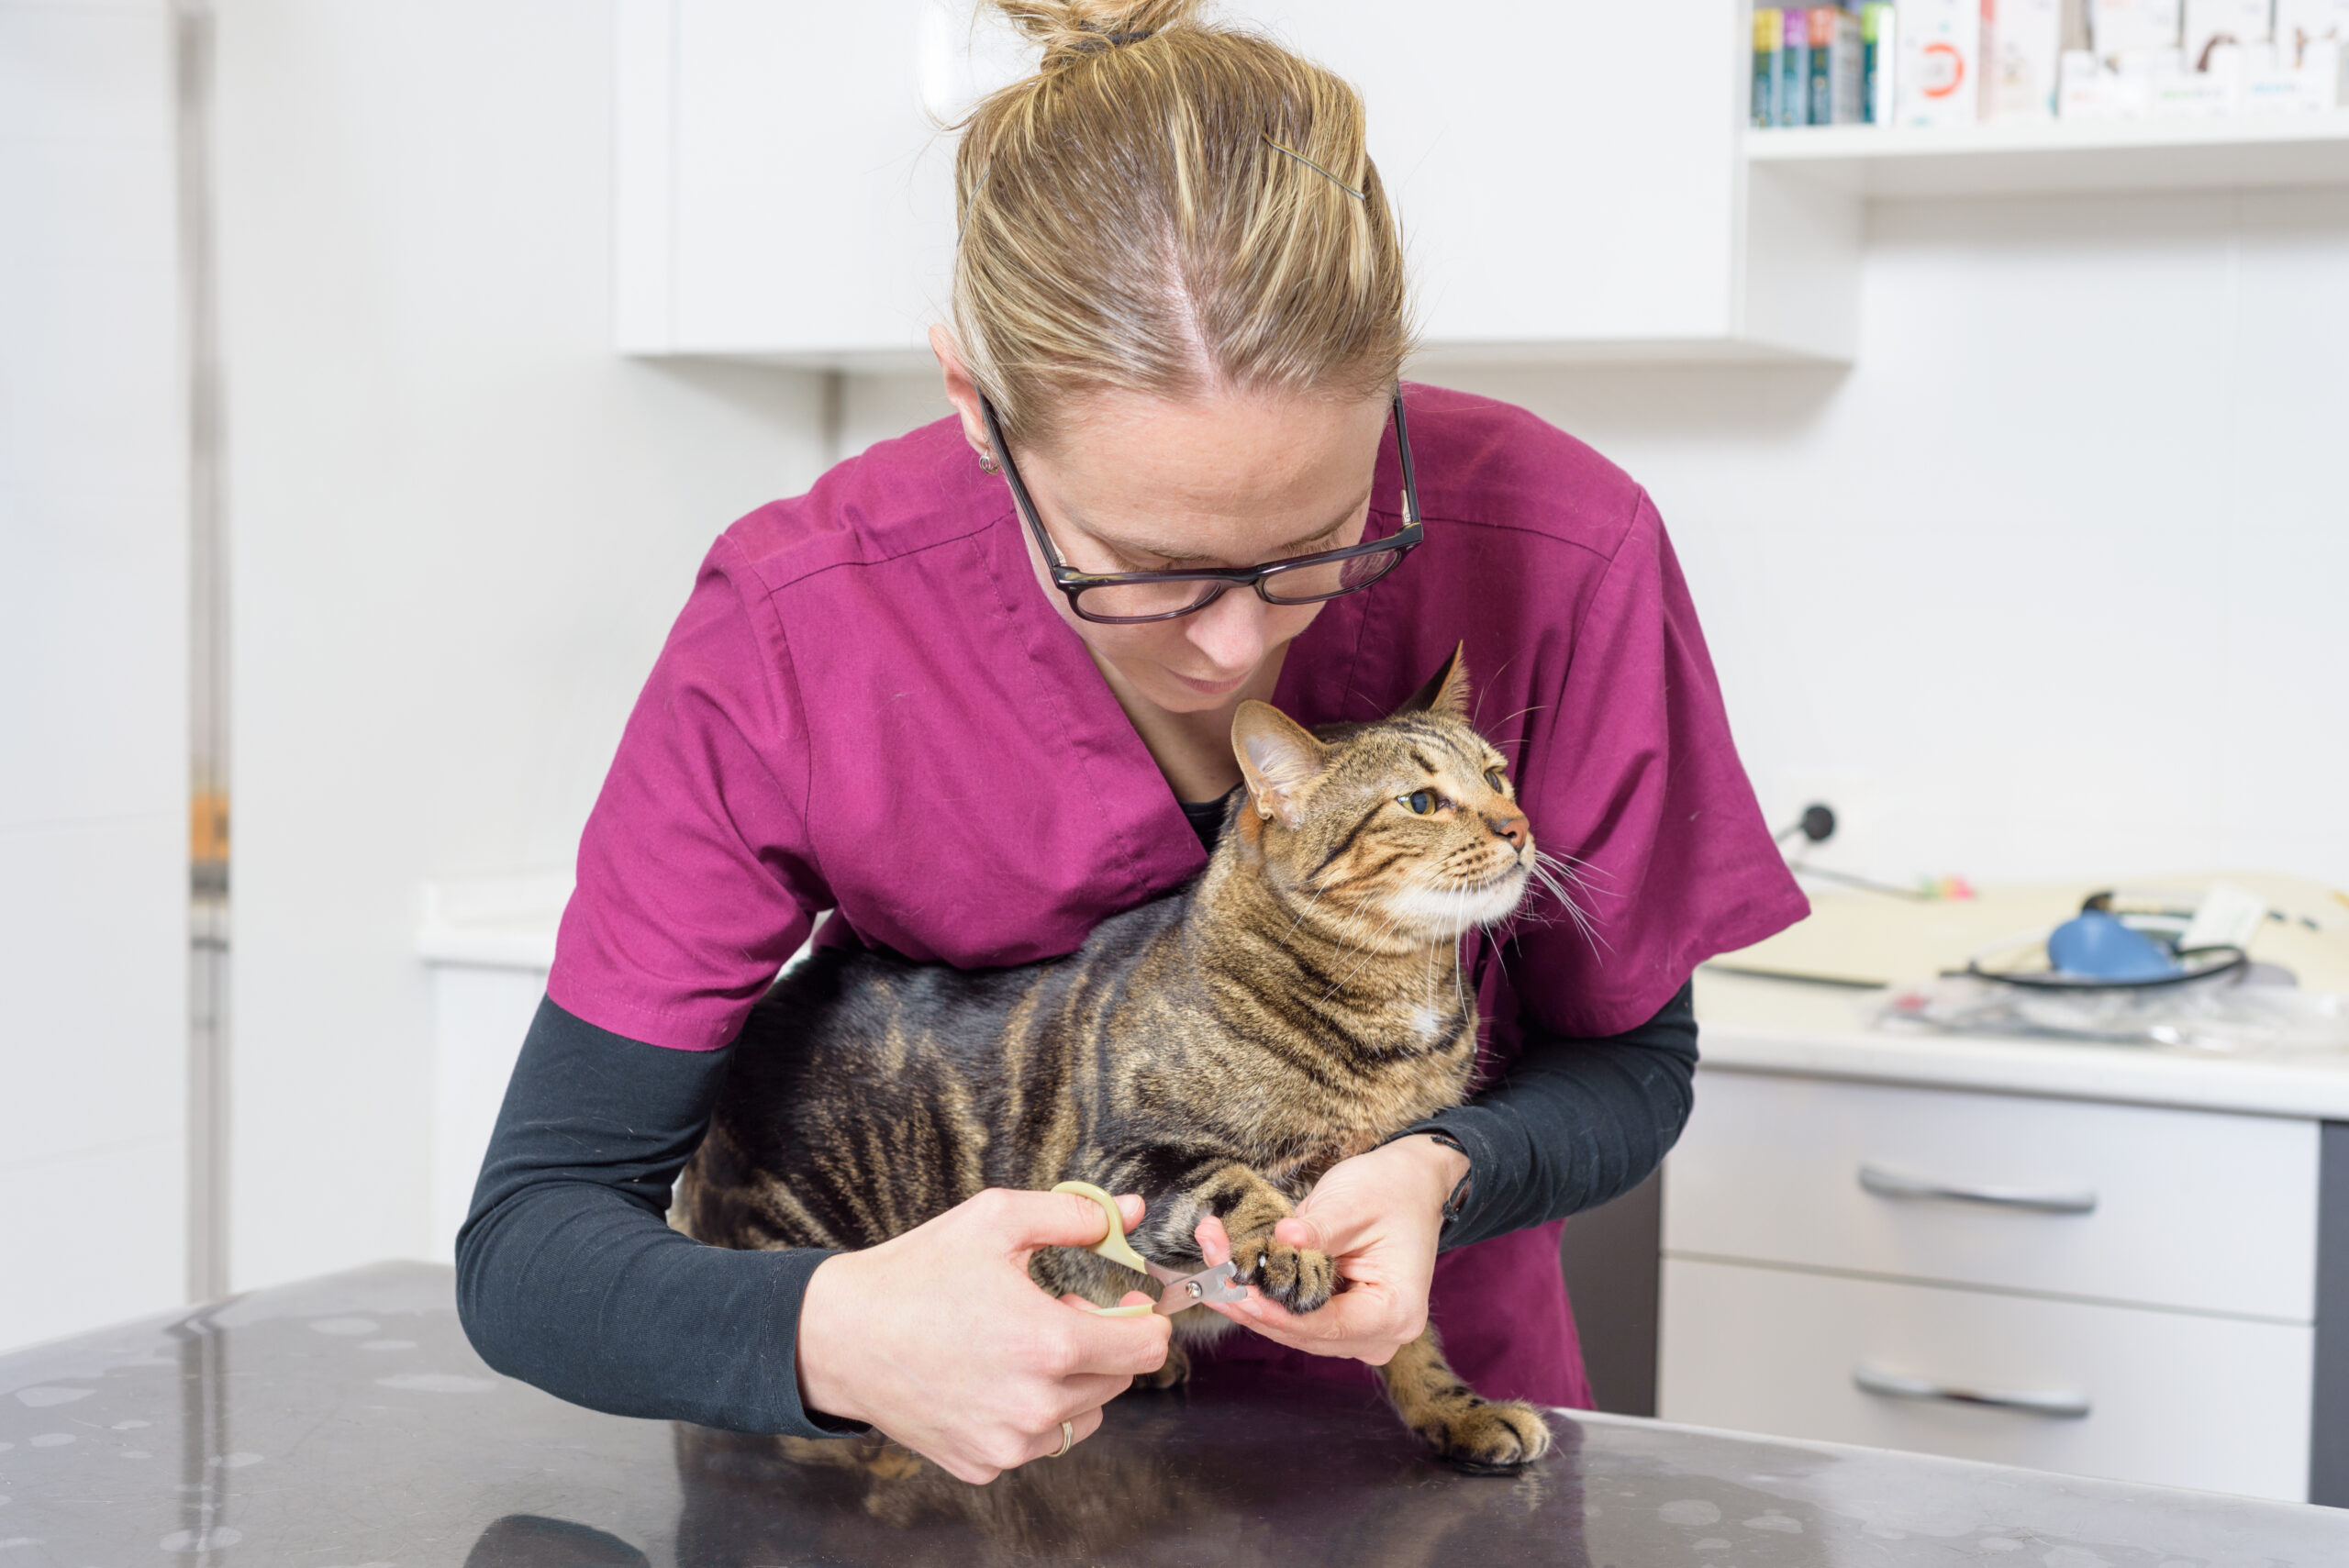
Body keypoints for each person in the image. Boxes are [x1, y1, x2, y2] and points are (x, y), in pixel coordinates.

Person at [456, 0, 1806, 1486]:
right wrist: (839, 1337)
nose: (1238, 649)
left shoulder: (1564, 542)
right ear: (976, 405)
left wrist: (1449, 1169)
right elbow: (535, 1241)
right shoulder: (794, 626)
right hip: (914, 1481)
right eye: (1144, 570)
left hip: (1400, 1467)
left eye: (1321, 545)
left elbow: (1637, 1058)